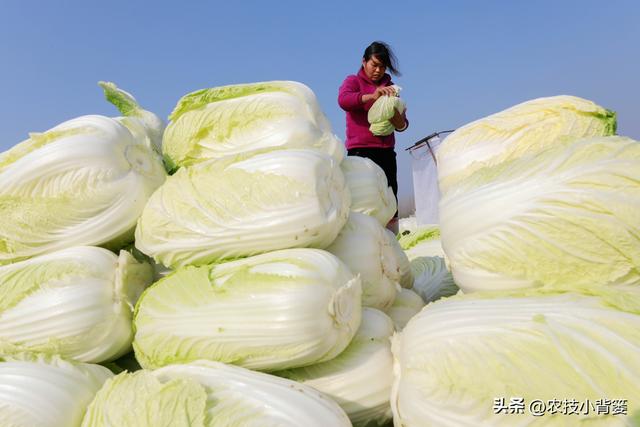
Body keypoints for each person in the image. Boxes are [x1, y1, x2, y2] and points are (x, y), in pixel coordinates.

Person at [338, 41, 408, 233]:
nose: (378, 70)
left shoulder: (391, 87)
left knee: (389, 198)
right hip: (360, 151)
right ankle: (363, 236)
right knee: (364, 199)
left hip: (386, 152)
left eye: (382, 67)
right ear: (364, 62)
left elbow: (403, 125)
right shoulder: (353, 82)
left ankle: (393, 239)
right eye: (374, 65)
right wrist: (372, 96)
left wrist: (397, 116)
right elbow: (344, 100)